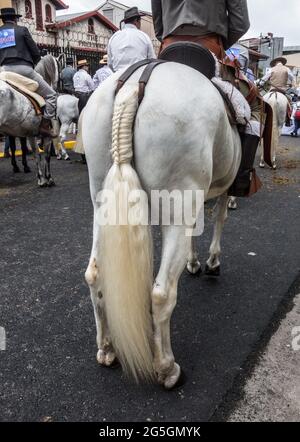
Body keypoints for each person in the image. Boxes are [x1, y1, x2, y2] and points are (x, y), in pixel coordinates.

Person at [151, 0, 263, 198]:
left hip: (169, 50)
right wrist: (220, 42)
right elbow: (240, 23)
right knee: (255, 105)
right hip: (208, 48)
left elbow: (159, 26)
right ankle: (240, 180)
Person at [0, 8, 57, 138]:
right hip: (24, 70)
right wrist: (34, 63)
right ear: (15, 19)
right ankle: (44, 126)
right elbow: (35, 52)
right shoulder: (22, 30)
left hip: (4, 71)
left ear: (3, 19)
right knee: (52, 96)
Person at [107, 7, 156, 72]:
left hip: (118, 77)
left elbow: (110, 64)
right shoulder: (144, 36)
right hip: (139, 76)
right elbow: (152, 60)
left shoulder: (113, 37)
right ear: (136, 21)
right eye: (140, 21)